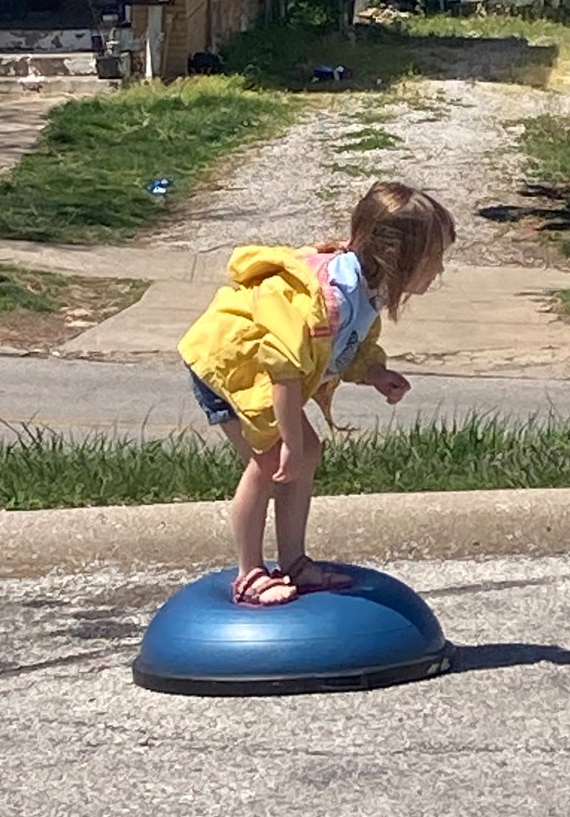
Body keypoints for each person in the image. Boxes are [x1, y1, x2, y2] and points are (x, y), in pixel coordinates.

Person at [178, 181, 456, 606]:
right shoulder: (323, 300)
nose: (438, 271)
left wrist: (376, 372)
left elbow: (351, 346)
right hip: (231, 364)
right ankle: (249, 573)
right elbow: (283, 371)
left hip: (266, 372)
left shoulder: (366, 291)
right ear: (395, 257)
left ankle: (294, 563)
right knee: (271, 460)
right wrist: (288, 440)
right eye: (433, 259)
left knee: (307, 452)